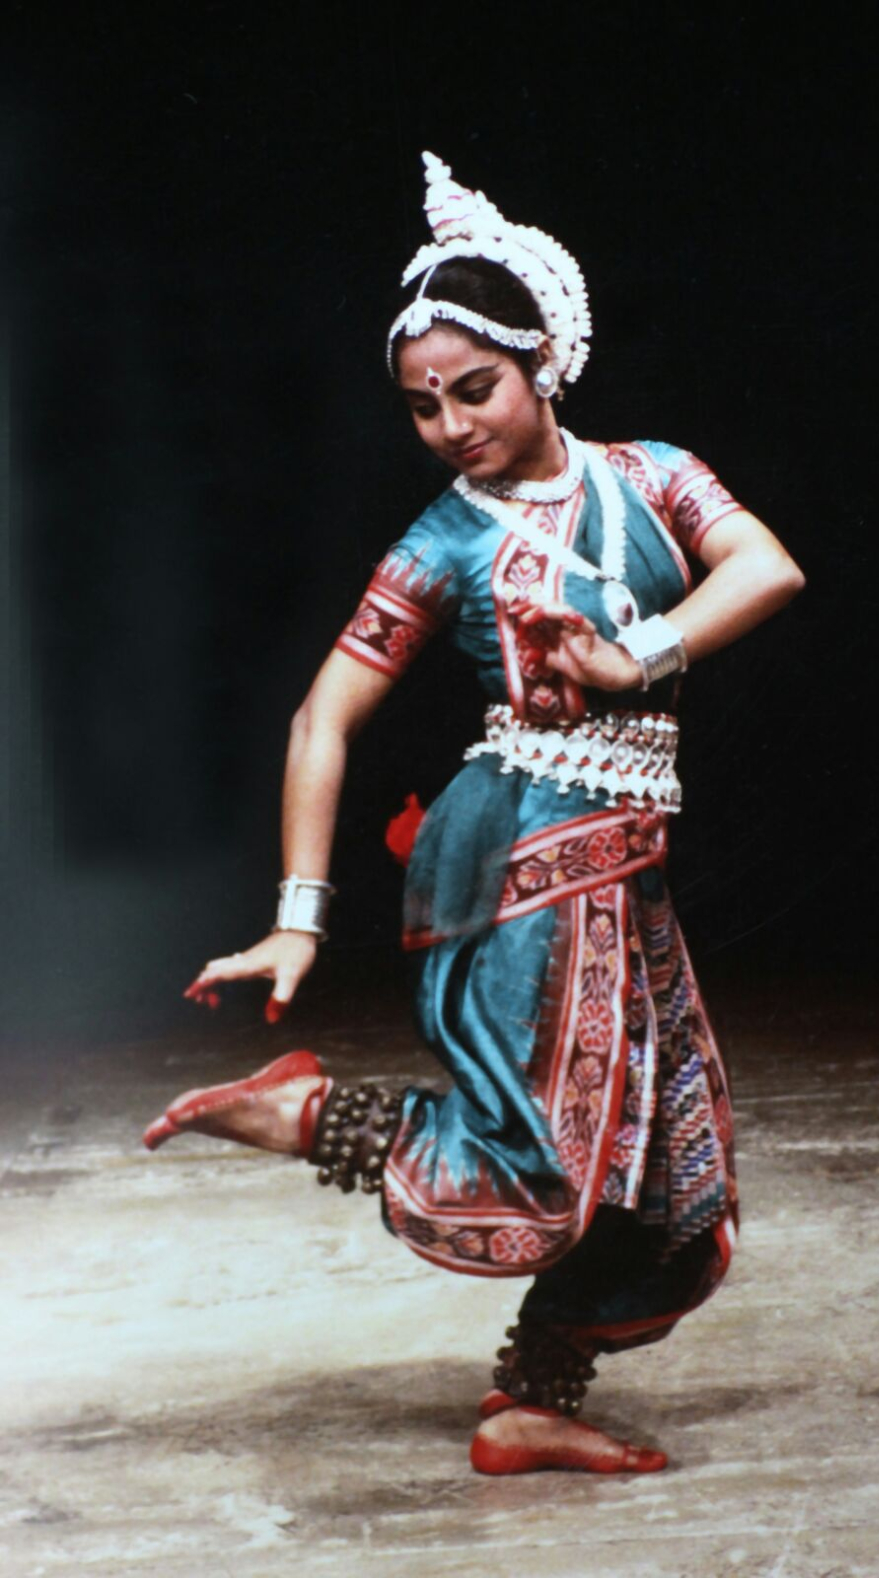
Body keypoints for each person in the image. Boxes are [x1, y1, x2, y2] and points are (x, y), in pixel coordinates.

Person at [143, 153, 805, 1475]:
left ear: (544, 358)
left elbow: (768, 565)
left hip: (625, 874)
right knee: (545, 1163)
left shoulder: (660, 475)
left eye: (473, 388)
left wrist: (640, 655)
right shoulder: (443, 540)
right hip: (513, 856)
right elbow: (322, 716)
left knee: (677, 1195)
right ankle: (307, 1114)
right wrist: (295, 920)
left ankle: (533, 1400)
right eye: (421, 403)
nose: (448, 423)